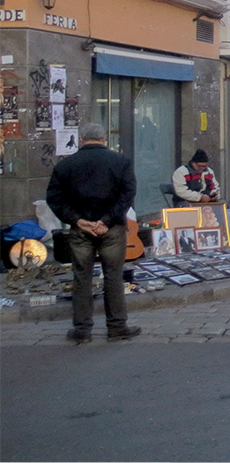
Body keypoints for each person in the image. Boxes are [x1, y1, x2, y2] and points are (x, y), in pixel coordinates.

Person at [47, 122, 141, 343]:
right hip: (112, 228)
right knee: (113, 277)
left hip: (80, 229)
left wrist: (78, 220)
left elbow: (54, 198)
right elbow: (128, 194)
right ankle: (117, 327)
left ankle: (82, 329)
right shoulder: (121, 162)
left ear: (81, 140)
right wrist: (106, 220)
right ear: (104, 139)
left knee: (82, 277)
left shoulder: (66, 165)